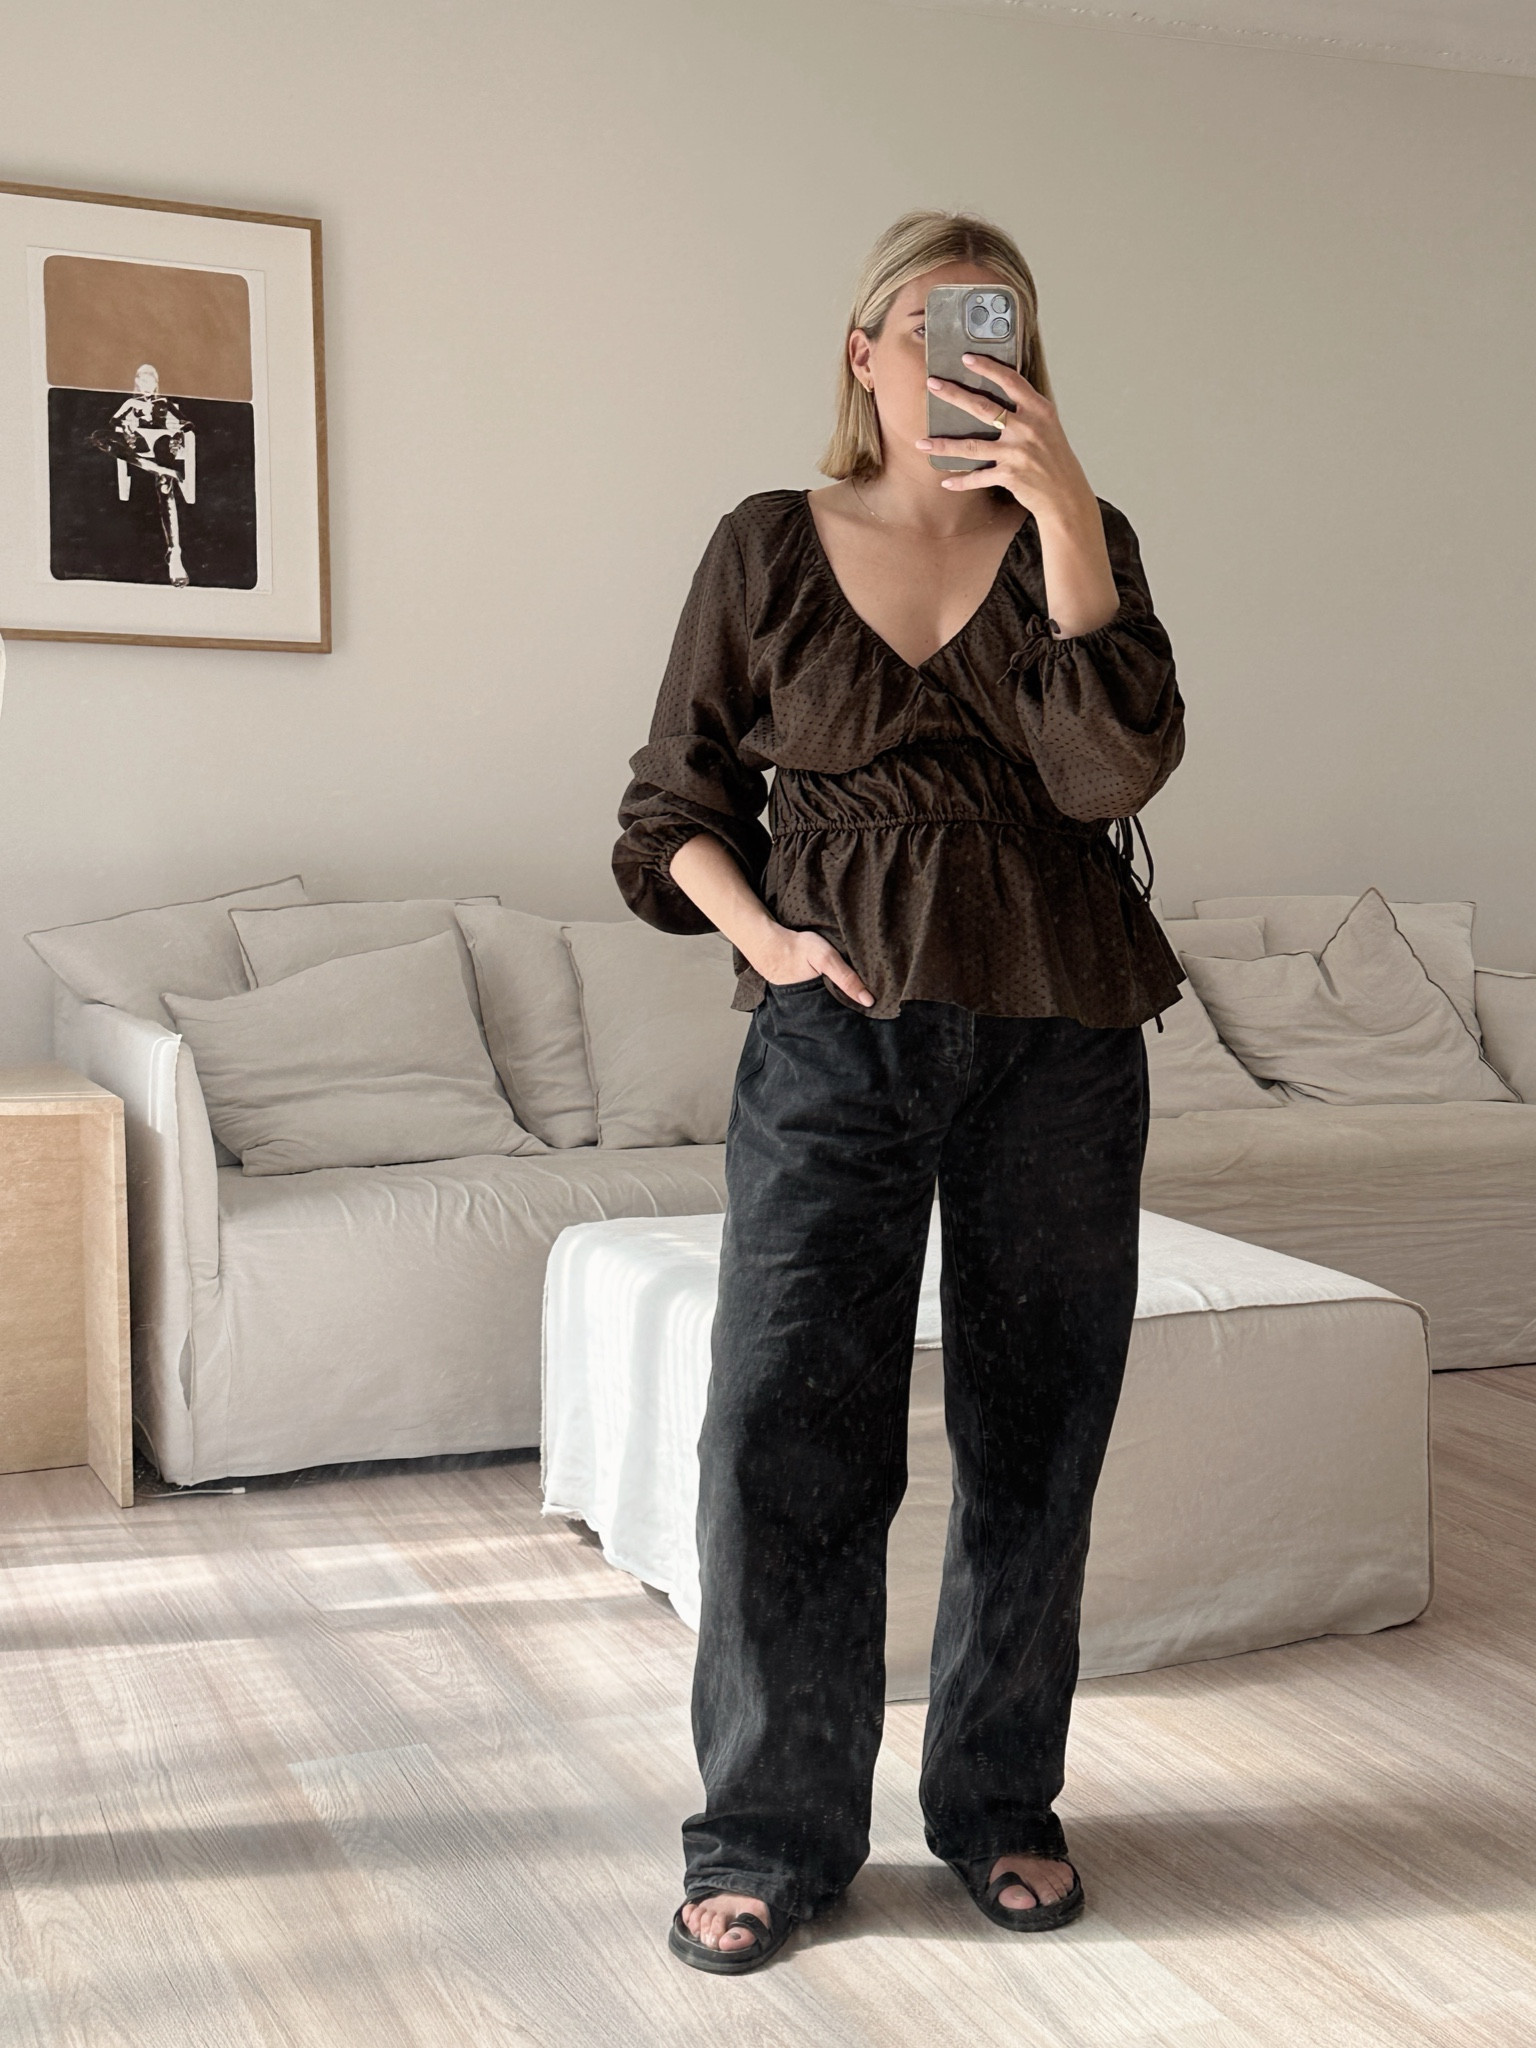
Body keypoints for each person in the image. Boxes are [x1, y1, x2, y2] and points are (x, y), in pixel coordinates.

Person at [612, 209, 1188, 1975]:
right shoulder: (766, 544)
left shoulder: (1081, 540)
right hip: (834, 1040)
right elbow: (671, 805)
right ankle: (771, 1831)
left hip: (1057, 1038)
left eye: (992, 327)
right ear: (863, 352)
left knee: (1039, 1428)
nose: (957, 357)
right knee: (779, 1427)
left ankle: (999, 1802)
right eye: (926, 326)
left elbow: (1108, 773)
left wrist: (1068, 516)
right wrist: (771, 947)